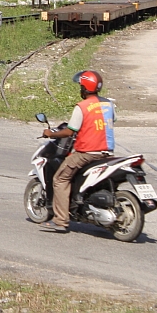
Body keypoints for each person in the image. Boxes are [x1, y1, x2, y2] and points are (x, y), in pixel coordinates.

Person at [42, 70, 116, 233]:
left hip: (86, 154)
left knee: (60, 178)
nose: (80, 90)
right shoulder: (108, 104)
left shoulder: (81, 107)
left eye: (81, 87)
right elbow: (109, 120)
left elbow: (70, 131)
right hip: (107, 153)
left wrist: (51, 134)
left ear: (84, 88)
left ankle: (60, 220)